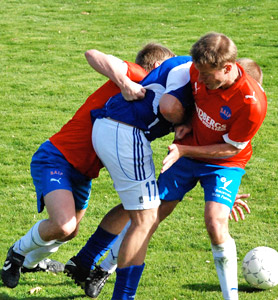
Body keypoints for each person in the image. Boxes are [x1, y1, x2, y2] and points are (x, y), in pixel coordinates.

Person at [1, 43, 175, 289]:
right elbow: (93, 54)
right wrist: (125, 83)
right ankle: (15, 255)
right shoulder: (138, 74)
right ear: (159, 66)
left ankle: (31, 263)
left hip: (84, 173)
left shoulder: (156, 96)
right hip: (57, 158)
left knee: (69, 232)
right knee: (64, 224)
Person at [156, 32, 267, 300]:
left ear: (228, 67)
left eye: (207, 74)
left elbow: (231, 148)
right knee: (148, 214)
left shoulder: (252, 104)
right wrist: (180, 123)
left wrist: (183, 150)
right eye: (199, 72)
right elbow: (194, 100)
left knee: (215, 223)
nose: (201, 79)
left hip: (224, 162)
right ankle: (104, 268)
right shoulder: (198, 71)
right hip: (189, 150)